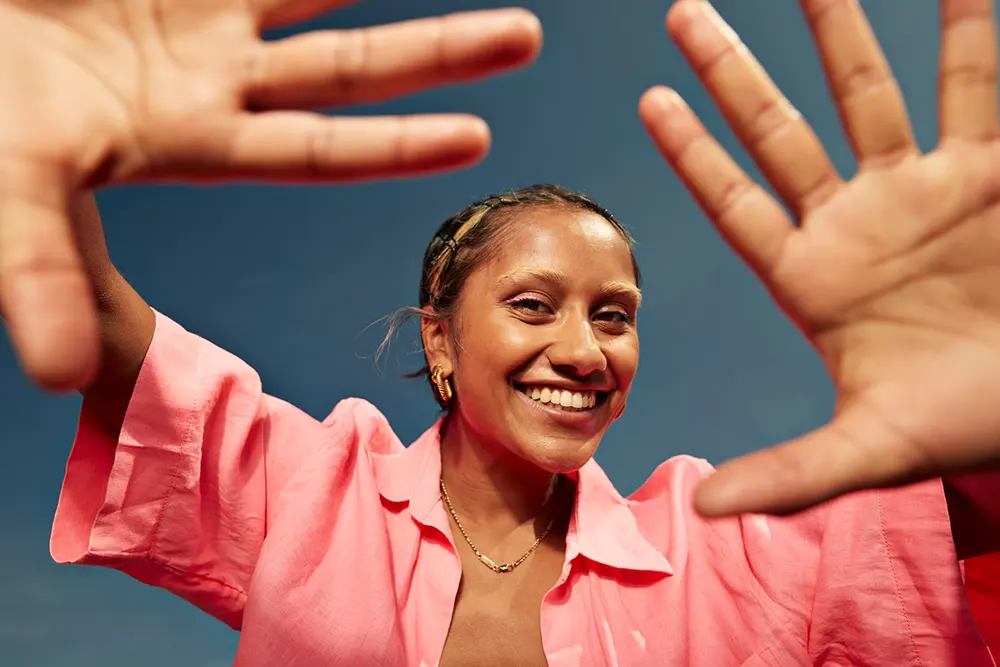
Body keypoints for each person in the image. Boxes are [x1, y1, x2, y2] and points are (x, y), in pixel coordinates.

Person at [3, 0, 1000, 664]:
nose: (585, 347)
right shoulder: (313, 491)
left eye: (615, 315)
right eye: (533, 303)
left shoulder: (728, 540)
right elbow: (98, 322)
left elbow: (959, 518)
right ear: (439, 342)